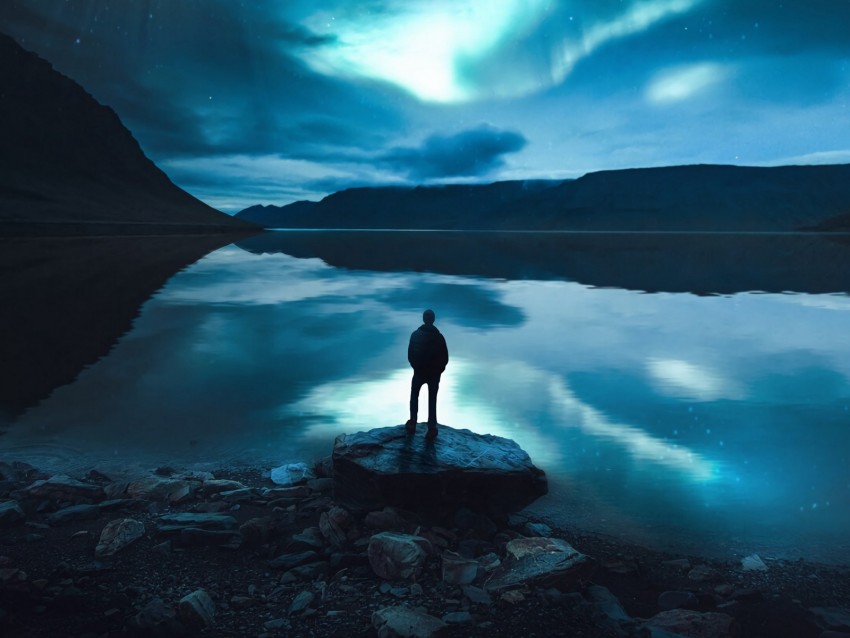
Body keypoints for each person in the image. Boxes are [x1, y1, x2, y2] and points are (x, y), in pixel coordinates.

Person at [406, 309, 449, 439]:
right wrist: (438, 371)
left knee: (414, 396)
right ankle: (431, 427)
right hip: (433, 374)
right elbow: (445, 358)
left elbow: (410, 355)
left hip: (419, 372)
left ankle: (413, 422)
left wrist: (416, 367)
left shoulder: (415, 335)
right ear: (433, 319)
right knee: (432, 399)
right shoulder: (439, 337)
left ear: (424, 319)